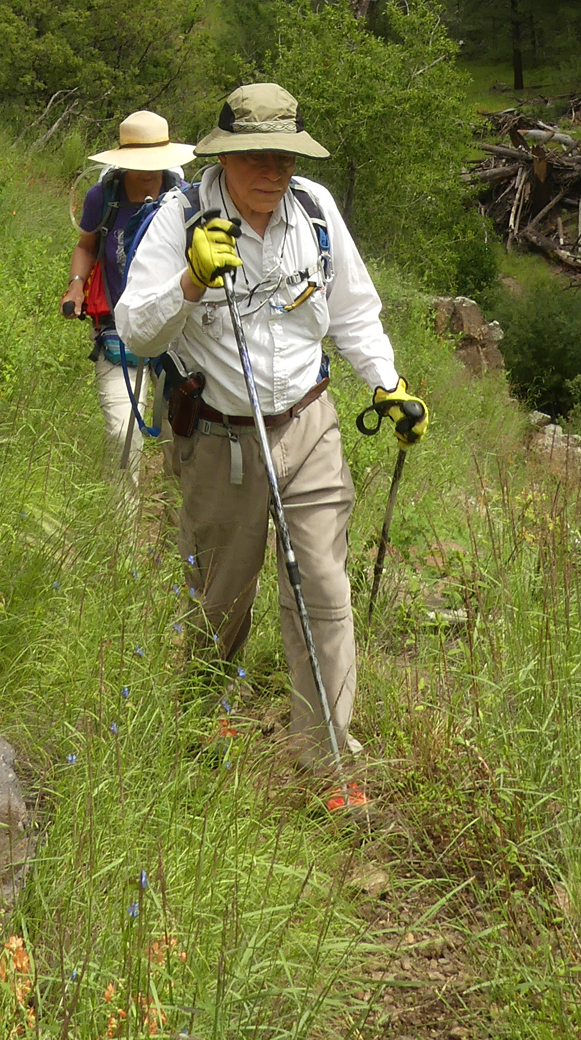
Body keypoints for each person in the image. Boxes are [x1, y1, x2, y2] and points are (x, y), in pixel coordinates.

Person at [115, 81, 427, 802]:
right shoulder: (179, 217)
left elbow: (353, 310)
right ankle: (206, 716)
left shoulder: (314, 210)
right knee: (221, 593)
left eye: (283, 155)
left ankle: (329, 755)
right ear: (225, 156)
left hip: (309, 423)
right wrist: (191, 279)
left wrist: (387, 384)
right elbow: (136, 332)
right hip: (218, 434)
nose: (272, 171)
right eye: (256, 155)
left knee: (321, 583)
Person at [63, 109, 195, 478]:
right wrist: (76, 285)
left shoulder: (186, 200)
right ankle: (122, 530)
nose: (148, 169)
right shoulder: (102, 198)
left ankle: (179, 529)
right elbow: (87, 245)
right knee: (123, 434)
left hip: (177, 336)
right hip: (117, 330)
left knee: (183, 444)